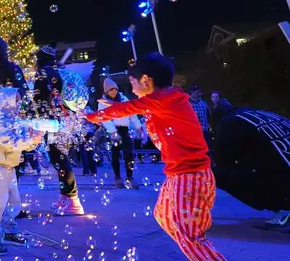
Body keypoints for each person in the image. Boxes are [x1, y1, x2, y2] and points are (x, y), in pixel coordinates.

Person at [87, 53, 226, 261]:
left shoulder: (164, 99)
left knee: (188, 234)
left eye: (132, 83)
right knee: (164, 215)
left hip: (189, 176)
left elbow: (129, 108)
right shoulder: (165, 101)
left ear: (146, 80)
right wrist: (115, 109)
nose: (132, 90)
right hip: (180, 175)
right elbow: (134, 110)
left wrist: (90, 116)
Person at [0, 87, 43, 256]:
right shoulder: (2, 121)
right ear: (6, 102)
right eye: (15, 100)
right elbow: (10, 143)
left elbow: (24, 144)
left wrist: (34, 140)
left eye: (19, 99)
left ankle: (9, 230)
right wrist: (29, 139)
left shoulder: (16, 121)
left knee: (13, 202)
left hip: (9, 167)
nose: (18, 103)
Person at [211, 102, 290, 232]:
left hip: (284, 173)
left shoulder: (230, 121)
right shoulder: (263, 113)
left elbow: (223, 158)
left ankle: (285, 208)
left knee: (216, 173)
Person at [33, 44, 83, 215]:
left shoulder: (43, 73)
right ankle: (66, 196)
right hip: (65, 121)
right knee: (60, 159)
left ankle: (73, 201)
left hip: (53, 123)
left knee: (60, 160)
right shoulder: (56, 71)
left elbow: (40, 100)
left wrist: (38, 120)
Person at [98, 78, 142, 189]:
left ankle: (129, 177)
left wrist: (138, 126)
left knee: (129, 154)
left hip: (124, 130)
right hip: (113, 131)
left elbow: (132, 113)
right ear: (106, 92)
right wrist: (113, 131)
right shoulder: (103, 103)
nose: (113, 92)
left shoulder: (123, 99)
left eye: (115, 89)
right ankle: (117, 177)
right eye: (111, 90)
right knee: (115, 155)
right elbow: (104, 119)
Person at [189, 85, 212, 154]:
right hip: (195, 132)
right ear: (192, 92)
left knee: (207, 149)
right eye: (197, 92)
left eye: (200, 92)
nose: (200, 94)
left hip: (205, 131)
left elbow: (209, 115)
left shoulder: (203, 103)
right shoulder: (188, 104)